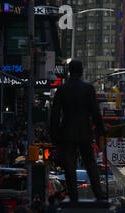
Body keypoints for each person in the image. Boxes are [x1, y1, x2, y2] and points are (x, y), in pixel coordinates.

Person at [49, 59, 106, 203]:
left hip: (67, 132)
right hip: (85, 131)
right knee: (90, 163)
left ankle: (73, 197)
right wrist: (101, 132)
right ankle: (98, 194)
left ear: (69, 71)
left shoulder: (62, 89)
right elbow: (95, 113)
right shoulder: (88, 88)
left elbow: (54, 115)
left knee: (70, 167)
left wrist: (54, 136)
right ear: (81, 71)